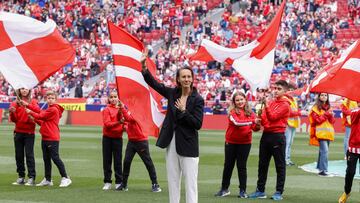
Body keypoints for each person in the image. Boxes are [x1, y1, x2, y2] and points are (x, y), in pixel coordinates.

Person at [141, 51, 204, 203]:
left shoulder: (197, 99)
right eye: (183, 76)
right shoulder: (172, 93)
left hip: (188, 145)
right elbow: (154, 84)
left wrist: (183, 111)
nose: (186, 79)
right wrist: (144, 67)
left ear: (192, 79)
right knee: (173, 181)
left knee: (190, 184)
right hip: (172, 143)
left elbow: (197, 124)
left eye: (189, 76)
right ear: (178, 79)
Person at [248, 80, 291, 201]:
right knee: (262, 164)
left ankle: (279, 191)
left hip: (277, 136)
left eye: (279, 89)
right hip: (266, 135)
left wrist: (266, 105)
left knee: (280, 165)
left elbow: (272, 117)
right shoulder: (272, 102)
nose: (276, 91)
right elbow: (267, 120)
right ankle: (260, 190)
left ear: (285, 91)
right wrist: (259, 119)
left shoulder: (285, 104)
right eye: (275, 88)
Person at [214, 91, 260, 198]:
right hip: (231, 142)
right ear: (234, 102)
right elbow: (237, 123)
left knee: (242, 167)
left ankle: (243, 191)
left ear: (245, 100)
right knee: (228, 166)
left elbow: (255, 129)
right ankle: (224, 189)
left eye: (241, 99)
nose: (240, 102)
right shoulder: (232, 112)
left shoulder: (251, 113)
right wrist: (253, 121)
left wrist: (257, 124)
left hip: (245, 143)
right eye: (237, 100)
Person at [25, 90, 72, 187]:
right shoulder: (49, 108)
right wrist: (34, 118)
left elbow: (41, 116)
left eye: (52, 98)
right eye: (48, 98)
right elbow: (43, 122)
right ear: (46, 99)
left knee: (55, 158)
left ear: (56, 99)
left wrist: (31, 112)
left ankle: (65, 177)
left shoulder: (53, 109)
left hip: (52, 137)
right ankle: (48, 179)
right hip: (46, 137)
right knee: (46, 159)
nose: (50, 100)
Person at [117, 100, 161, 192]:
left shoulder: (140, 111)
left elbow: (130, 119)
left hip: (141, 141)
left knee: (148, 163)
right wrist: (124, 123)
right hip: (132, 141)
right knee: (126, 162)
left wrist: (122, 108)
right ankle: (124, 184)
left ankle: (155, 184)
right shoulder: (130, 110)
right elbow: (127, 121)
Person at [9, 88, 40, 186]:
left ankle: (31, 177)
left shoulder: (34, 102)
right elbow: (14, 120)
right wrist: (12, 112)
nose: (24, 90)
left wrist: (30, 112)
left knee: (29, 155)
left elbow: (37, 113)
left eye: (26, 88)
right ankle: (21, 177)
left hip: (29, 133)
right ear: (19, 90)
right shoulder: (14, 103)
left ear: (29, 90)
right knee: (19, 155)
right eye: (22, 88)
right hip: (18, 132)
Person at [101, 90, 125, 190]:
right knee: (107, 161)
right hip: (107, 138)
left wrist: (123, 125)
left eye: (115, 97)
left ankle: (119, 182)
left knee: (118, 161)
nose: (113, 99)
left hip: (118, 138)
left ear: (118, 98)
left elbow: (125, 123)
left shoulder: (121, 109)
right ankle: (107, 181)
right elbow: (107, 124)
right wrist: (119, 122)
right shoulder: (106, 109)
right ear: (109, 99)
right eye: (111, 97)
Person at [338, 101, 360, 203]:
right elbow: (353, 116)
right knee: (350, 172)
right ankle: (347, 192)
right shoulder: (355, 111)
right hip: (353, 148)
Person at [308, 93, 335, 177]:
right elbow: (317, 121)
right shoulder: (315, 108)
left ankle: (320, 167)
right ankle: (323, 170)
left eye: (325, 95)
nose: (324, 97)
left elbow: (332, 122)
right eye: (322, 95)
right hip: (320, 133)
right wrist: (327, 114)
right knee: (325, 151)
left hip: (328, 133)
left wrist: (331, 116)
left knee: (322, 151)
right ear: (319, 97)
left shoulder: (329, 108)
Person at [284, 84, 302, 166]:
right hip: (288, 123)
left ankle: (288, 158)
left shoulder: (293, 99)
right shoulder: (285, 99)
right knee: (287, 143)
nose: (291, 91)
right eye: (289, 89)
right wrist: (299, 112)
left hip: (293, 123)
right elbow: (289, 112)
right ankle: (285, 159)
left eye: (292, 89)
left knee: (290, 142)